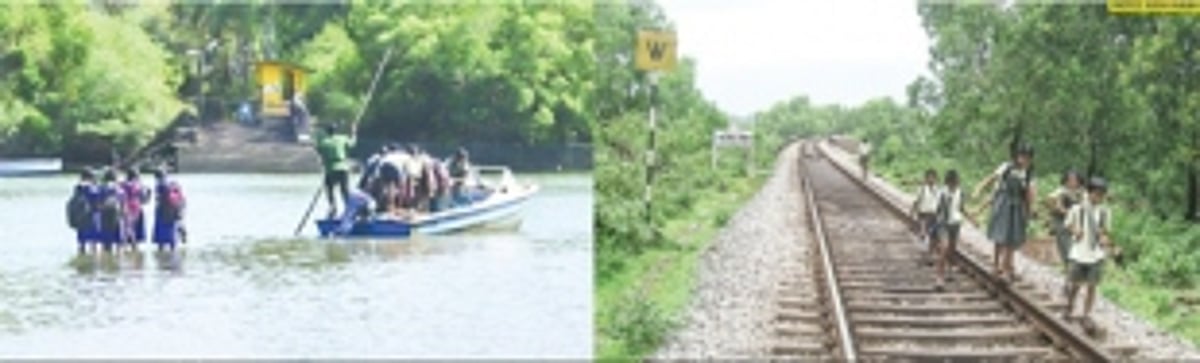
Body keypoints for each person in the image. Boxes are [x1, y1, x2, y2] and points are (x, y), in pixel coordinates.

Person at [972, 144, 1036, 282]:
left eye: (1027, 157)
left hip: (1017, 207)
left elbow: (1029, 196)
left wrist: (1029, 212)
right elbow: (992, 178)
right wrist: (979, 188)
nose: (1024, 160)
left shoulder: (1028, 174)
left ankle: (1006, 268)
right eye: (1022, 156)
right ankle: (996, 265)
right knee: (999, 235)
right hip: (1003, 203)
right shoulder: (1007, 167)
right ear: (1017, 156)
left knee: (1012, 239)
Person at [1063, 177, 1113, 325]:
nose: (1098, 197)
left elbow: (1105, 230)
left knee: (1092, 286)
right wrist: (1075, 230)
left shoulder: (1104, 212)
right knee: (1075, 284)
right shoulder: (1078, 209)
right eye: (1096, 193)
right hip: (1079, 252)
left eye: (1101, 194)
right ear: (1089, 193)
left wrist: (1104, 238)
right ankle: (1069, 307)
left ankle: (1086, 314)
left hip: (1096, 254)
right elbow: (1068, 224)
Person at [934, 169, 975, 289]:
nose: (954, 185)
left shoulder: (960, 193)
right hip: (943, 224)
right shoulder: (942, 193)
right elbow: (937, 209)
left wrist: (971, 218)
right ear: (947, 182)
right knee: (944, 248)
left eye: (955, 182)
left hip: (955, 224)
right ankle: (939, 277)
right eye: (951, 183)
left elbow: (961, 207)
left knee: (952, 248)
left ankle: (949, 268)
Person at [315, 122, 357, 218]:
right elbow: (352, 143)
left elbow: (318, 150)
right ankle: (348, 208)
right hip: (343, 168)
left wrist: (317, 136)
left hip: (331, 169)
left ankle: (333, 207)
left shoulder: (324, 142)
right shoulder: (342, 138)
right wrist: (353, 132)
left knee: (329, 189)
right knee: (345, 190)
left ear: (326, 132)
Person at [1047, 170, 1085, 269]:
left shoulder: (1081, 192)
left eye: (1075, 180)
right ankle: (1070, 272)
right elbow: (1051, 199)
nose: (1072, 182)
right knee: (1066, 248)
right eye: (1070, 180)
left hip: (1076, 224)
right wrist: (1062, 210)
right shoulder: (1061, 191)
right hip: (1061, 223)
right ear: (1065, 180)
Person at [152, 168, 186, 252]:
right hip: (174, 210)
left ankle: (161, 251)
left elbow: (158, 198)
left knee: (161, 235)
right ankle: (173, 248)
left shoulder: (160, 185)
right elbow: (181, 198)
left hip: (163, 210)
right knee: (172, 231)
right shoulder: (173, 184)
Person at [68, 169, 100, 254]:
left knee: (81, 242)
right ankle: (93, 258)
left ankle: (82, 255)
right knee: (93, 242)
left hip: (80, 218)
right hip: (91, 216)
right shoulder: (92, 188)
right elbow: (97, 201)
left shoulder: (77, 188)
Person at [911, 169, 940, 262]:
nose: (931, 179)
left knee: (933, 236)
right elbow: (916, 201)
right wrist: (912, 212)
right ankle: (925, 254)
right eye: (929, 177)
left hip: (934, 215)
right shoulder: (922, 189)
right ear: (926, 178)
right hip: (923, 214)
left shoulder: (938, 190)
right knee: (924, 234)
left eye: (933, 177)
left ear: (936, 179)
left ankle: (929, 254)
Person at [96, 168, 127, 253]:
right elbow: (123, 202)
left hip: (105, 213)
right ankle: (117, 257)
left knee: (106, 238)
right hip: (116, 212)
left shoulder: (102, 188)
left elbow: (98, 203)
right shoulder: (119, 188)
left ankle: (107, 256)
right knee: (118, 238)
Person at [121, 167, 151, 250]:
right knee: (134, 227)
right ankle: (134, 246)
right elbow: (144, 198)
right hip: (137, 206)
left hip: (127, 206)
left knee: (128, 227)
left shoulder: (123, 184)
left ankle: (126, 246)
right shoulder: (139, 185)